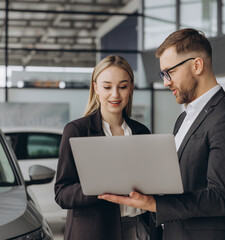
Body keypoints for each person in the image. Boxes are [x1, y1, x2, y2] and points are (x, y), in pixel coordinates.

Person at [99, 28, 225, 240]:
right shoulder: (183, 119)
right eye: (163, 74)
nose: (166, 82)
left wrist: (155, 204)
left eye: (169, 72)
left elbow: (221, 198)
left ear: (197, 65)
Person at [55, 55, 152, 240]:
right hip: (96, 232)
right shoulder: (77, 130)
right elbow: (62, 193)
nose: (115, 94)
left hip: (140, 228)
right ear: (96, 88)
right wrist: (101, 186)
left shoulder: (141, 132)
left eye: (122, 87)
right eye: (107, 87)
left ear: (131, 88)